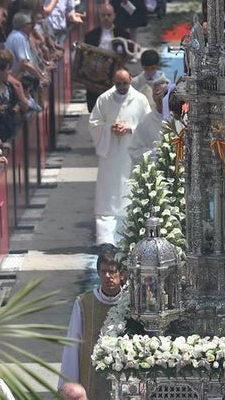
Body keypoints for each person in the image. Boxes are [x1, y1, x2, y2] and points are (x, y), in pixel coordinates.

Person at [89, 70, 153, 246]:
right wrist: (110, 128)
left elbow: (147, 124)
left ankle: (129, 232)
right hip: (111, 154)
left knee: (129, 189)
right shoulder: (104, 99)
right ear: (113, 82)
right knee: (108, 195)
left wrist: (130, 128)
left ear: (130, 80)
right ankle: (105, 240)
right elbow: (94, 124)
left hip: (131, 152)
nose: (122, 87)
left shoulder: (140, 100)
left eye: (125, 83)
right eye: (118, 84)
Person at [58, 247, 126, 400]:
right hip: (90, 380)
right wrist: (69, 386)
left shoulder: (130, 303)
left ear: (122, 275)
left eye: (112, 272)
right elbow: (72, 344)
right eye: (103, 272)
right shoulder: (84, 303)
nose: (108, 276)